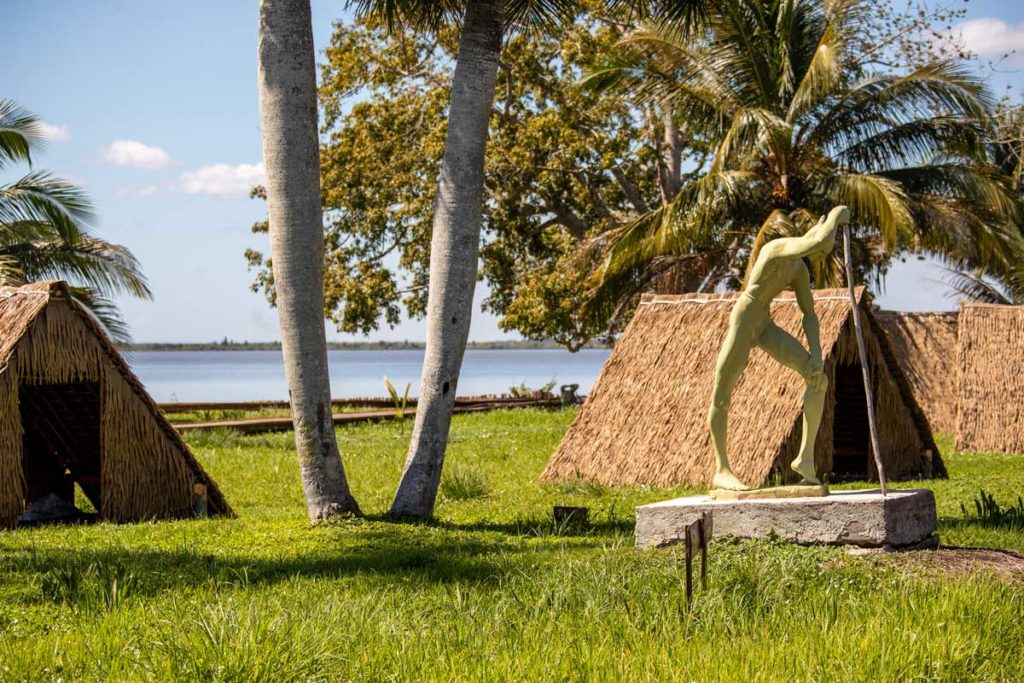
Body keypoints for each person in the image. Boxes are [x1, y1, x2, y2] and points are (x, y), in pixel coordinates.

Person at [708, 205, 850, 491]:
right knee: (721, 395)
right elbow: (816, 242)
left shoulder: (799, 269)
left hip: (764, 323)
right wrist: (838, 214)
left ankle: (805, 459)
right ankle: (721, 469)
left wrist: (816, 356)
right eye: (822, 244)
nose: (824, 253)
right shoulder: (776, 248)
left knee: (818, 381)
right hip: (746, 316)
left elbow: (808, 314)